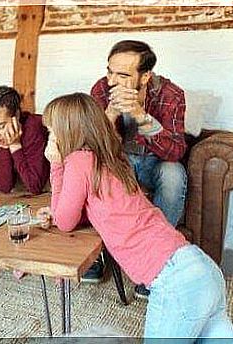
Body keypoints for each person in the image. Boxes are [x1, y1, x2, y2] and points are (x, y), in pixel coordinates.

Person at [37, 92, 233, 341]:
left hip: (175, 280)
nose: (50, 138)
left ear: (68, 132)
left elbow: (65, 221)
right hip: (201, 268)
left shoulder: (78, 161)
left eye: (51, 131)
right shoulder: (111, 160)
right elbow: (96, 209)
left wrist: (56, 165)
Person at [90, 40, 187, 296]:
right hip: (121, 162)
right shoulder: (100, 89)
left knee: (174, 174)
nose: (111, 81)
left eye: (122, 75)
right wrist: (109, 116)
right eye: (110, 71)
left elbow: (175, 151)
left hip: (155, 161)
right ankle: (95, 255)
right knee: (96, 171)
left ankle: (157, 261)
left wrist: (140, 115)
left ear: (145, 77)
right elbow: (95, 149)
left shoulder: (170, 94)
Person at [0, 86, 50, 195]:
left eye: (1, 126)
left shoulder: (34, 128)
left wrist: (15, 145)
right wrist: (5, 146)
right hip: (20, 194)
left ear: (16, 116)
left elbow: (35, 186)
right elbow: (4, 187)